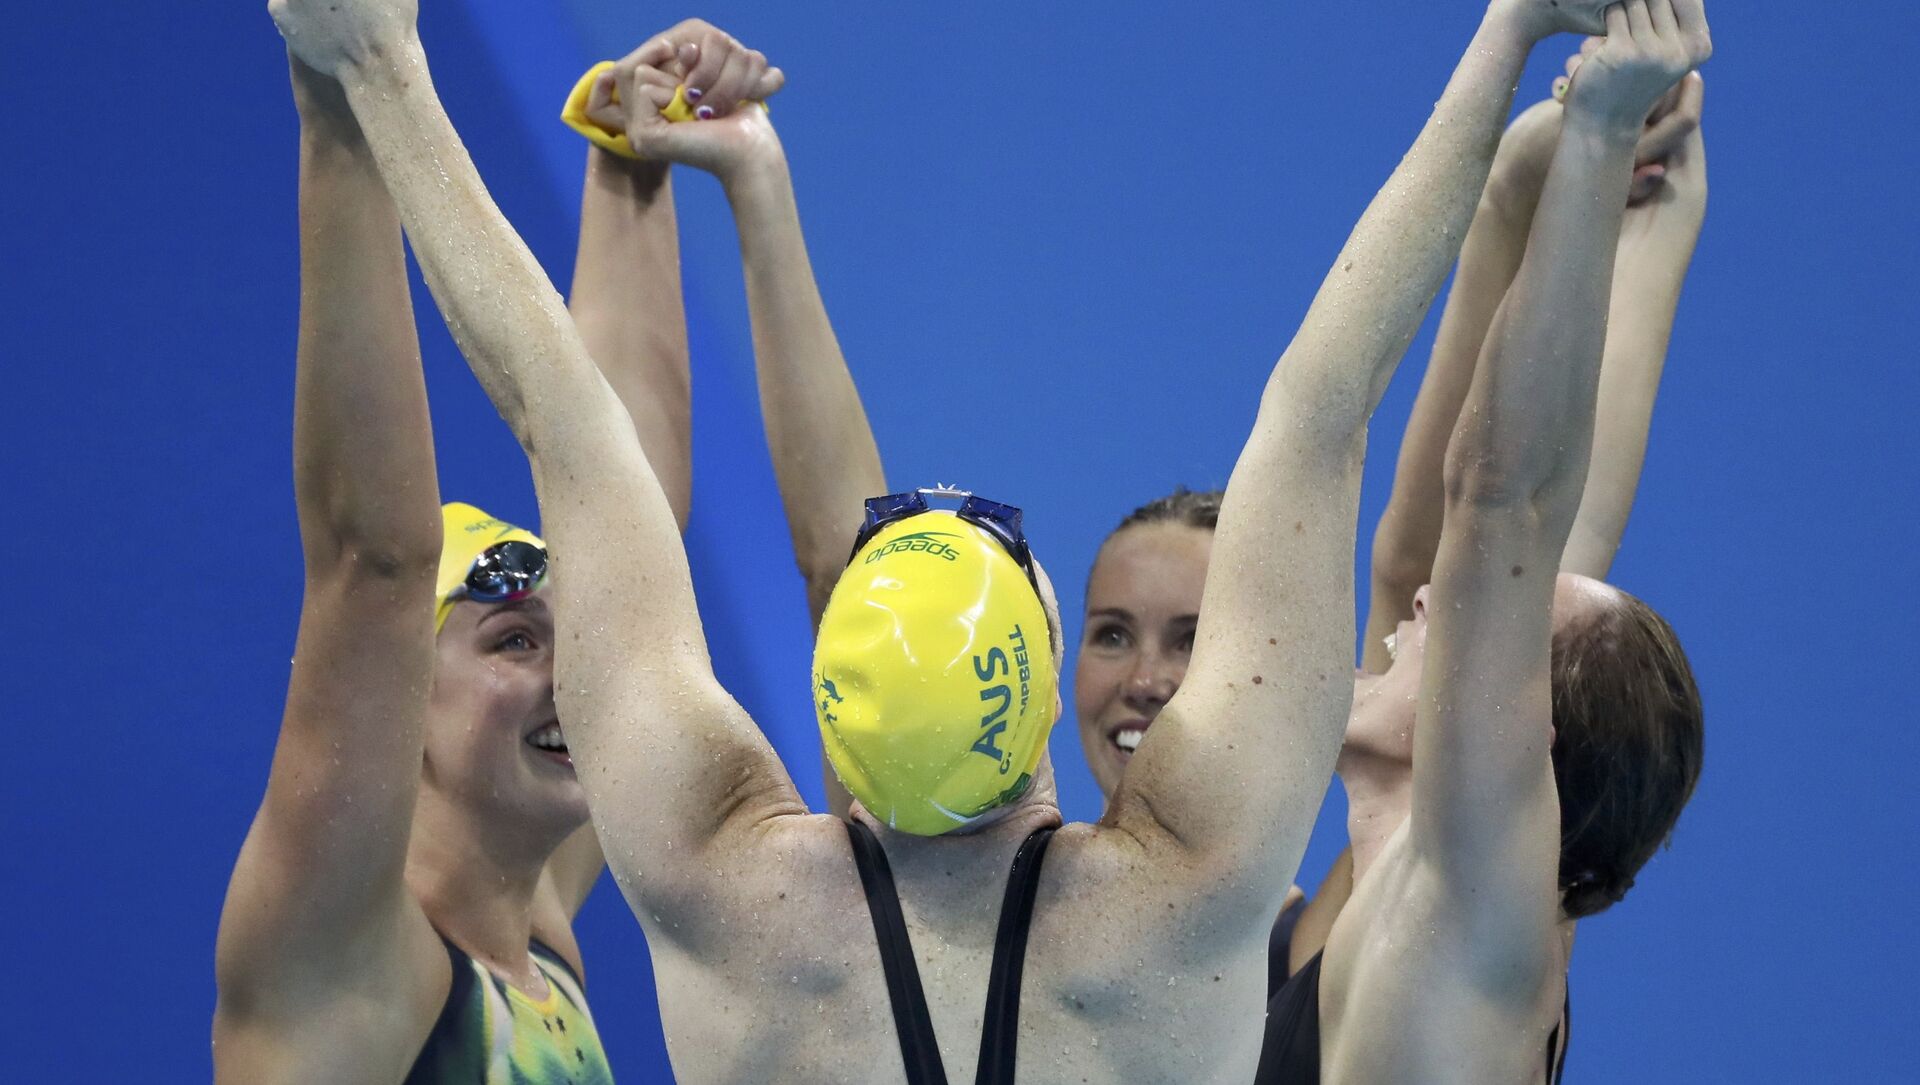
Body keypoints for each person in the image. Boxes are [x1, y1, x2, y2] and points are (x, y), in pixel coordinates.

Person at [265, 0, 1621, 1080]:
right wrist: (1506, 34)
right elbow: (1320, 412)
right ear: (1035, 677)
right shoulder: (1188, 895)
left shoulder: (721, 883)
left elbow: (564, 420)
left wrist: (380, 68)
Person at [209, 22, 775, 1079]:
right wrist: (341, 96)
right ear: (403, 695)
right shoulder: (343, 959)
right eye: (513, 640)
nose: (574, 671)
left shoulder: (535, 926)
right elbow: (374, 562)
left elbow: (627, 506)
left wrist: (631, 158)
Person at [1255, 2, 1712, 1081]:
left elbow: (1506, 503)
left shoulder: (1474, 923)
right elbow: (1455, 546)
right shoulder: (1430, 900)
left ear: (1517, 741)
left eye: (1476, 627)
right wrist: (1643, 212)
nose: (1430, 602)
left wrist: (1601, 136)